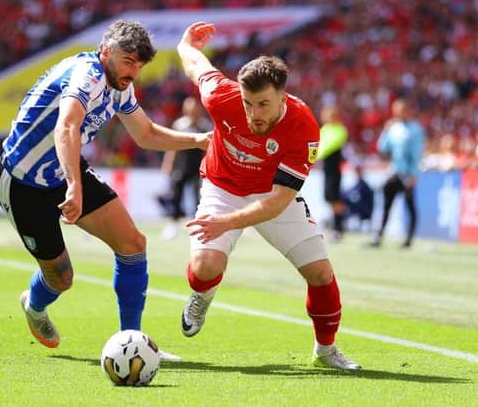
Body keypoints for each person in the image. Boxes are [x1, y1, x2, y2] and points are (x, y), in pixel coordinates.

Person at [0, 20, 209, 359]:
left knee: (133, 243)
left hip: (63, 171)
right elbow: (67, 127)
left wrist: (197, 140)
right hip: (22, 182)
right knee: (61, 279)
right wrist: (75, 186)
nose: (133, 71)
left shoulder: (121, 85)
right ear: (106, 52)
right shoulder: (86, 75)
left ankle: (132, 343)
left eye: (139, 65)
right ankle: (33, 305)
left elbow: (146, 134)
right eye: (128, 61)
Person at [176, 21, 360, 370]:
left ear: (282, 96)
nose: (254, 114)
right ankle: (201, 295)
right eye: (248, 103)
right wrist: (188, 44)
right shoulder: (221, 97)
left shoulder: (304, 127)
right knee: (204, 268)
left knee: (320, 273)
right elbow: (197, 66)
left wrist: (227, 223)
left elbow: (278, 201)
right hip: (222, 186)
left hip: (272, 195)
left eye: (263, 104)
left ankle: (325, 350)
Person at [369, 99, 425, 248]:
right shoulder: (394, 128)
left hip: (408, 174)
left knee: (410, 205)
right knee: (387, 204)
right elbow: (383, 148)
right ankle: (378, 236)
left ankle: (409, 239)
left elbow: (417, 153)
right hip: (395, 171)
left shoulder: (415, 129)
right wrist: (385, 131)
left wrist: (414, 174)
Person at [157, 96, 212, 240]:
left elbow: (209, 149)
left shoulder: (205, 126)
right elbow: (172, 147)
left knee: (198, 198)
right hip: (181, 167)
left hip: (198, 169)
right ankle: (173, 225)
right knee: (176, 196)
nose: (192, 110)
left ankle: (197, 226)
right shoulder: (180, 125)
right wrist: (168, 164)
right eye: (190, 107)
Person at [316, 105, 348, 241]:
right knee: (329, 197)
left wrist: (314, 156)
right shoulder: (325, 129)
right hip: (327, 169)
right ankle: (336, 226)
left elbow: (327, 147)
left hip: (335, 169)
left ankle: (339, 228)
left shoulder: (340, 130)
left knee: (335, 198)